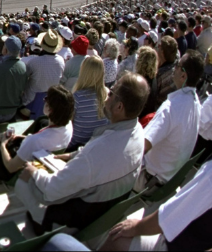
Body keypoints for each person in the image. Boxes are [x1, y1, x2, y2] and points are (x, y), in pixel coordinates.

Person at [15, 73, 149, 234]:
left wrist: (34, 173)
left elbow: (51, 190)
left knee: (23, 179)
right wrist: (72, 155)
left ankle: (39, 231)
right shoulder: (139, 132)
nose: (106, 96)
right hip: (101, 213)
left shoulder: (94, 154)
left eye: (111, 92)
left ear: (119, 107)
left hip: (74, 222)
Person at [102, 150, 212, 252]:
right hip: (197, 243)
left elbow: (171, 217)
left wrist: (136, 227)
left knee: (117, 237)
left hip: (178, 245)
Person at [138, 50, 202, 190]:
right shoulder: (196, 103)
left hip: (148, 180)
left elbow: (142, 146)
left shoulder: (171, 108)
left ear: (183, 75)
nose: (174, 68)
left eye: (178, 65)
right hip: (169, 179)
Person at [0, 85, 74, 180]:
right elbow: (42, 143)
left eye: (46, 99)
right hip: (38, 161)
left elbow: (11, 167)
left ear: (50, 109)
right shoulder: (69, 125)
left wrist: (2, 145)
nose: (44, 100)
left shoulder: (33, 141)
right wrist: (23, 137)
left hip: (14, 174)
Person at [67, 56, 110, 151]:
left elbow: (68, 124)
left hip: (75, 146)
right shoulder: (106, 95)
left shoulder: (77, 97)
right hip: (97, 145)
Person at [21, 30, 65, 112]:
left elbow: (24, 79)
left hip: (30, 102)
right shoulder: (61, 61)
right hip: (51, 101)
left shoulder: (34, 62)